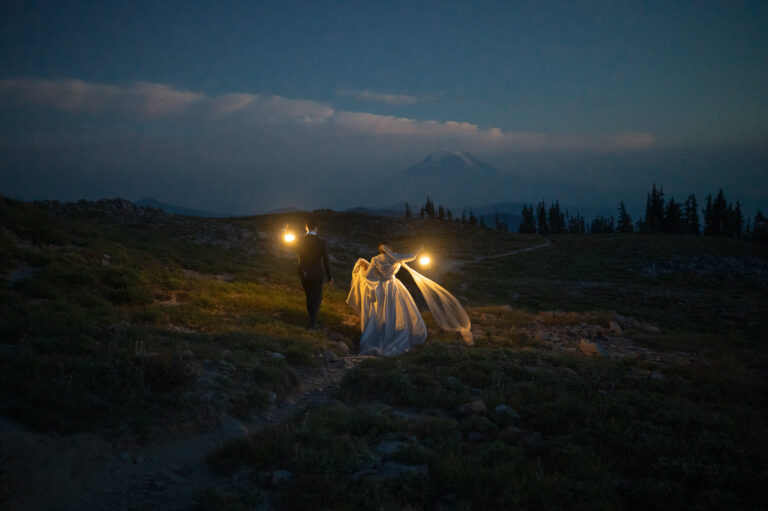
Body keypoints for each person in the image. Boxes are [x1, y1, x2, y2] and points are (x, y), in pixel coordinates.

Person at [346, 242, 473, 357]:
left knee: (382, 313)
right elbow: (412, 256)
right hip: (394, 287)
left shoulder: (375, 259)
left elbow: (369, 275)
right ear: (389, 248)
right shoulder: (397, 258)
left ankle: (379, 338)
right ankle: (398, 337)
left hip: (382, 288)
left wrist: (366, 266)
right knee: (399, 312)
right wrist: (420, 249)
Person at [294, 217, 333, 329]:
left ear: (306, 227)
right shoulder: (321, 242)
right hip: (317, 273)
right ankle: (313, 322)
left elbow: (296, 250)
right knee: (316, 298)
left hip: (304, 273)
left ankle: (312, 319)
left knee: (309, 296)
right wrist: (330, 276)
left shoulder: (299, 240)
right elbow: (326, 260)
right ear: (316, 228)